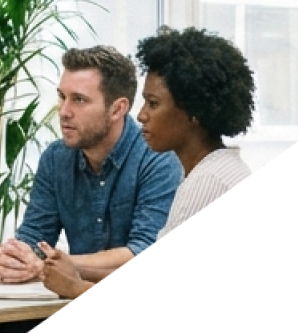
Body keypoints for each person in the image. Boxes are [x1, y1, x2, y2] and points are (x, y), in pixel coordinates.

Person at [39, 26, 255, 299]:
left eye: (153, 103)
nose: (140, 115)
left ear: (194, 112)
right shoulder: (217, 171)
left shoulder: (207, 184)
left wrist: (74, 286)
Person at [0, 45, 182, 285]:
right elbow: (34, 238)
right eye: (62, 96)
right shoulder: (55, 158)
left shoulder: (157, 158)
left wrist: (53, 265)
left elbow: (142, 249)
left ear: (117, 109)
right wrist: (13, 258)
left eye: (79, 100)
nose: (63, 111)